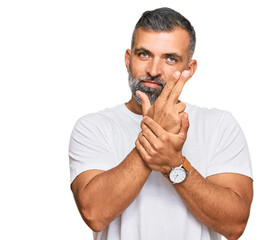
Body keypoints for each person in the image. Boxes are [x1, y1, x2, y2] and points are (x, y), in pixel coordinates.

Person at [69, 7, 253, 240]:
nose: (153, 70)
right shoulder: (92, 127)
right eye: (144, 54)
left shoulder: (220, 125)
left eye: (170, 58)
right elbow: (94, 213)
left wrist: (173, 164)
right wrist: (156, 132)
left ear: (189, 69)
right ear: (128, 59)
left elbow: (235, 224)